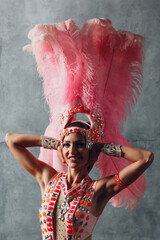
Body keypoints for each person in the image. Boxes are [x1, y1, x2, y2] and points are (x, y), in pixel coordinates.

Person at [5, 18, 154, 240]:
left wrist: (104, 147)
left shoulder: (99, 191)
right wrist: (54, 142)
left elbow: (146, 158)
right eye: (67, 145)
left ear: (89, 150)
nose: (72, 150)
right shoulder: (48, 178)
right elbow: (11, 140)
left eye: (80, 145)